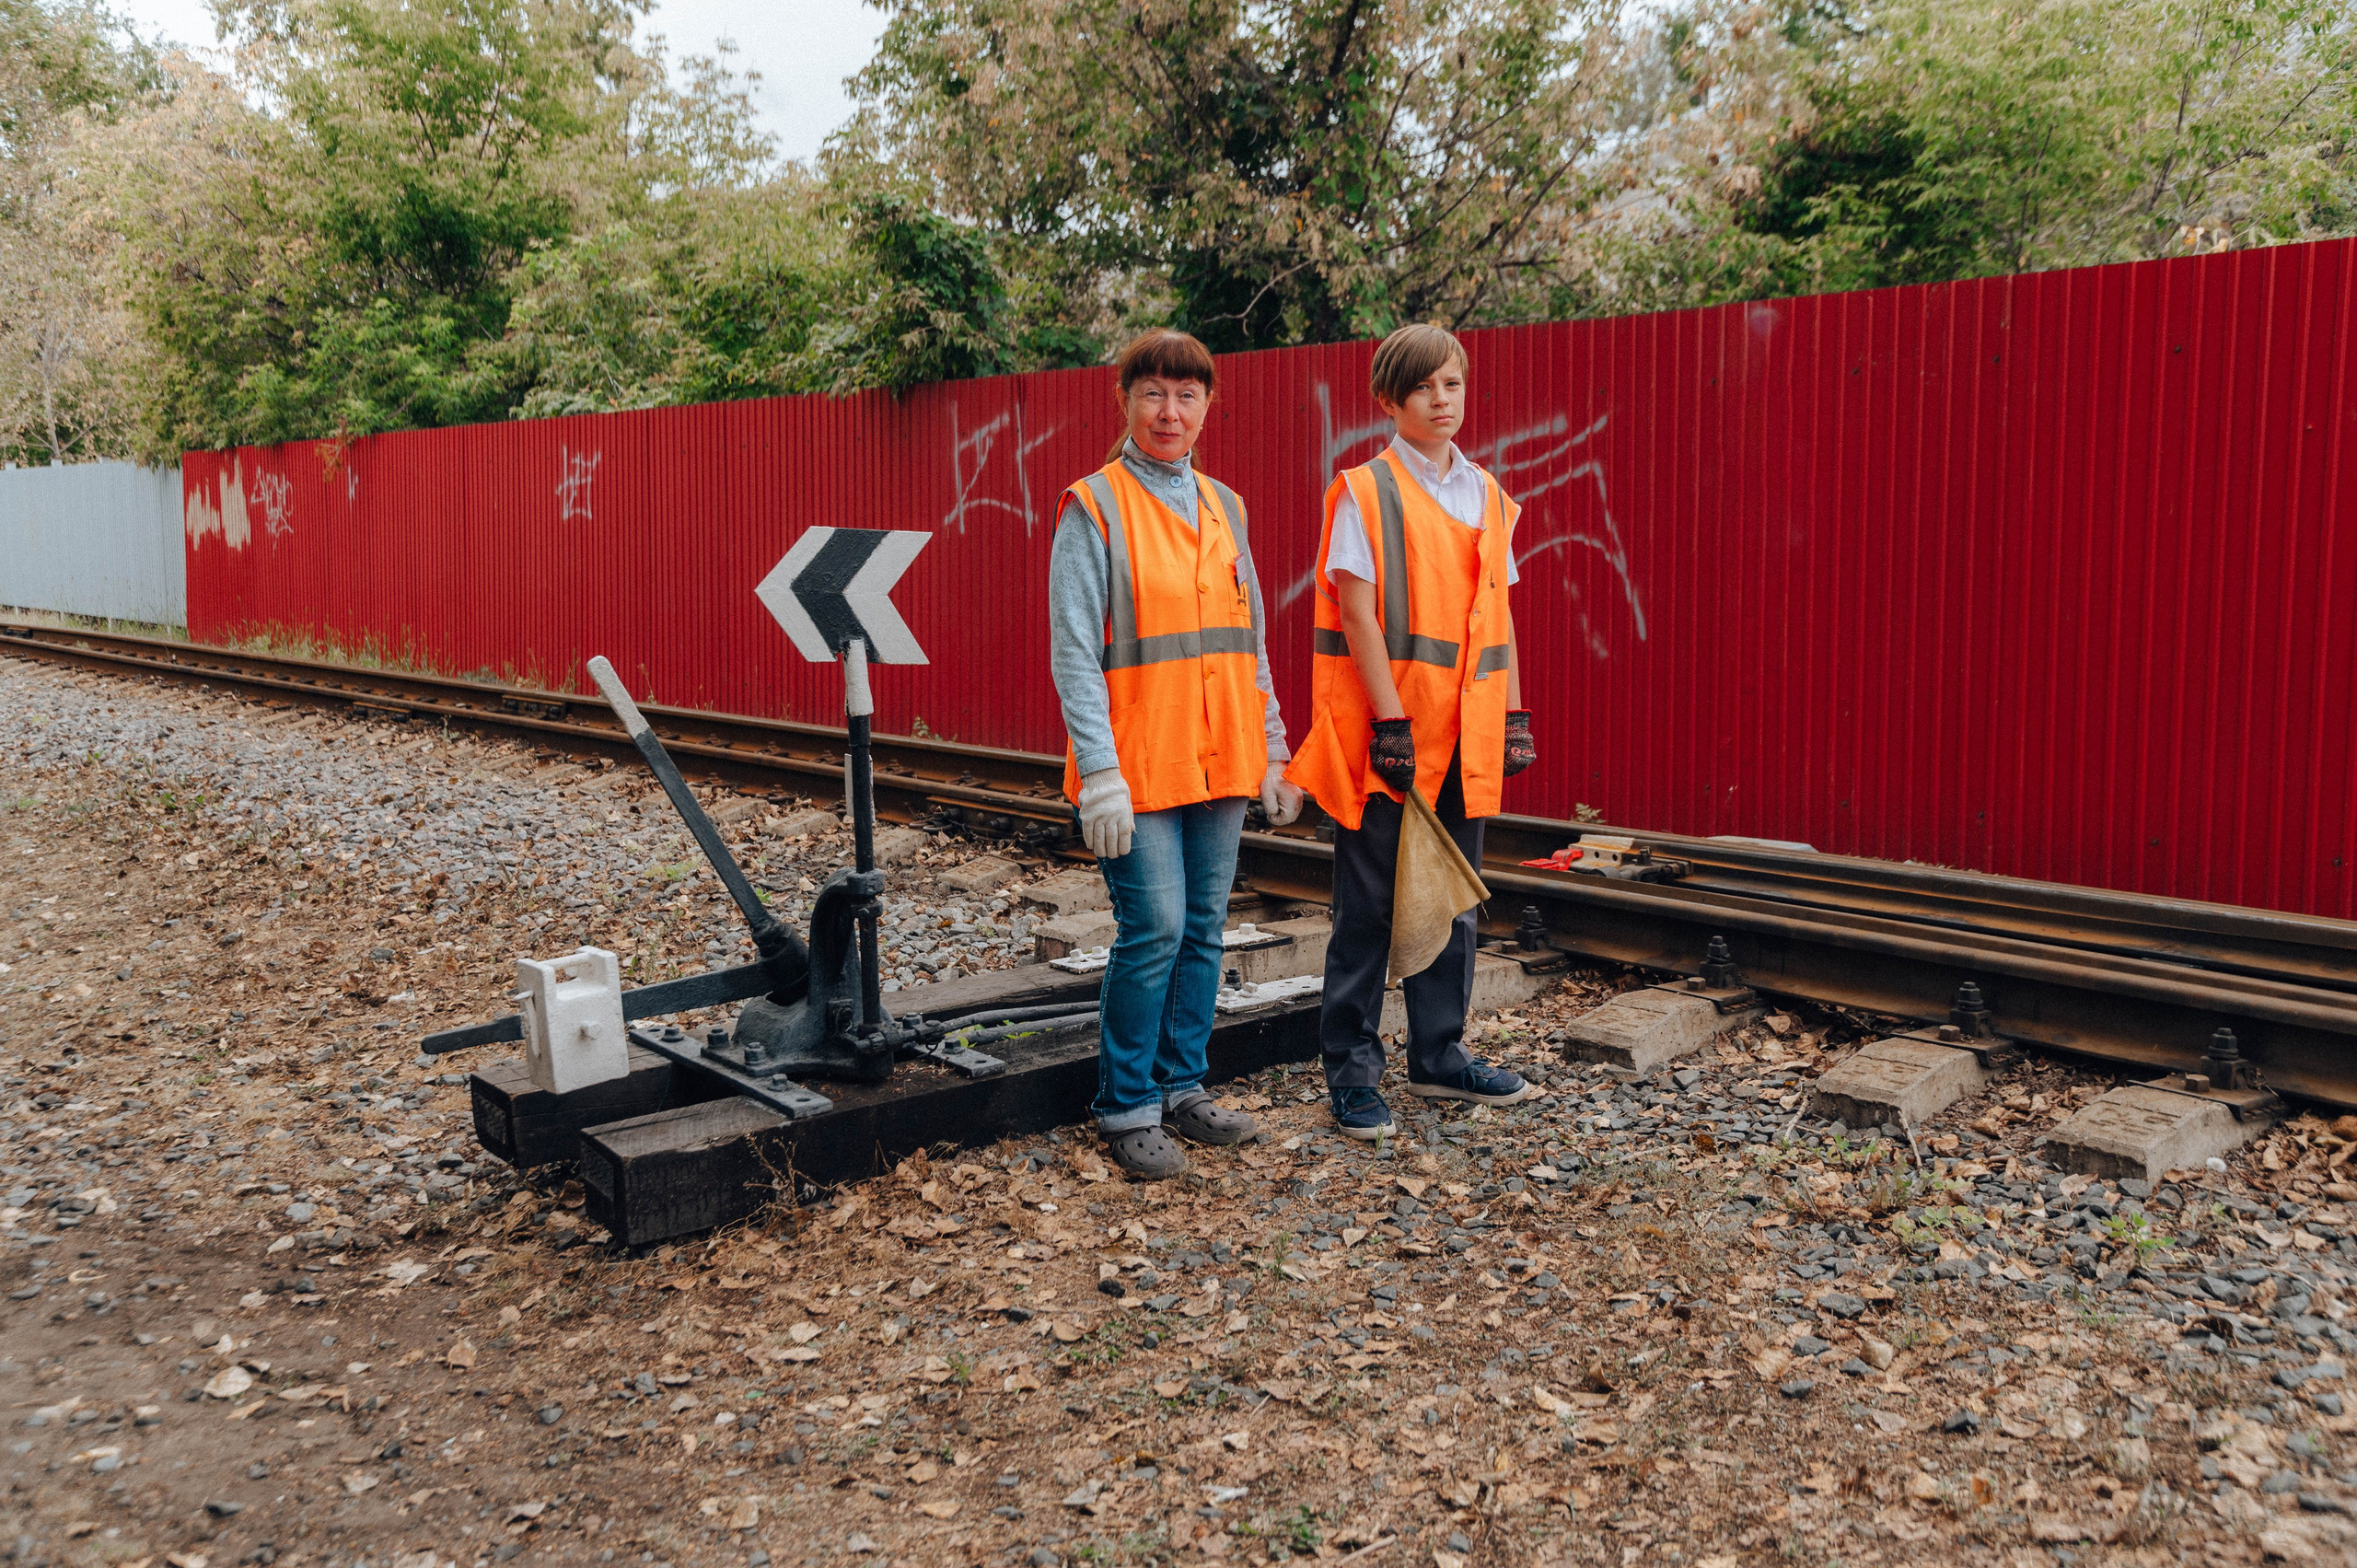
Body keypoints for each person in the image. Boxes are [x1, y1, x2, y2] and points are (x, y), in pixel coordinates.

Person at [1050, 329, 1305, 1179]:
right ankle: (1126, 1103)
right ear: (1125, 401)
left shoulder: (1225, 507)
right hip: (1139, 764)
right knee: (1153, 928)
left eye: (1187, 395)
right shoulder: (1095, 507)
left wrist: (1273, 745)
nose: (1170, 411)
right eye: (1153, 393)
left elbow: (1251, 639)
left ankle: (1184, 1087)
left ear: (1207, 408)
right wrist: (1099, 776)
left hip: (1221, 757)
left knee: (1203, 930)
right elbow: (1075, 652)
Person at [1286, 323, 1539, 1141]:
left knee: (1452, 902)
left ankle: (1440, 1057)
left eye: (1454, 385)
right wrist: (1390, 720)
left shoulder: (1492, 498)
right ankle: (1354, 1075)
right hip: (1389, 734)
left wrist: (1514, 713)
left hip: (1465, 730)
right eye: (1425, 387)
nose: (1443, 400)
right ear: (1390, 401)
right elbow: (1357, 616)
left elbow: (1495, 621)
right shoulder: (1366, 491)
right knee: (1368, 906)